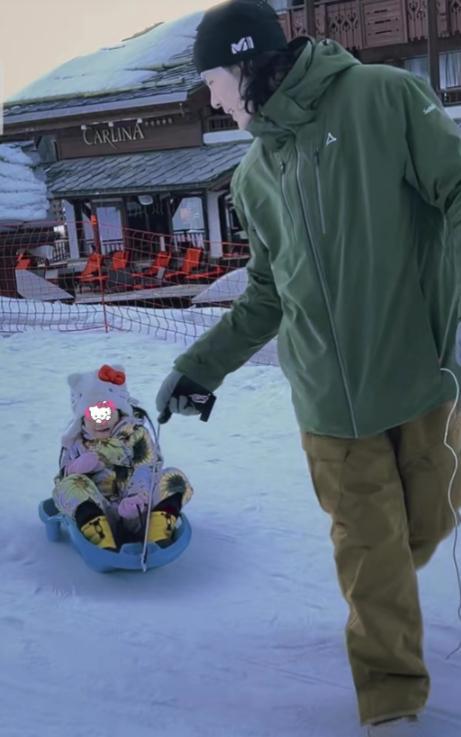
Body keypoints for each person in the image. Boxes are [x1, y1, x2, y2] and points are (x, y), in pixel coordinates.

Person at [155, 1, 461, 735]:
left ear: (242, 65)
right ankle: (391, 699)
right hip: (327, 405)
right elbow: (266, 292)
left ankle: (385, 593)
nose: (213, 100)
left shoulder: (383, 97)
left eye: (214, 83)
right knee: (369, 547)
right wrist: (202, 366)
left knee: (426, 517)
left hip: (420, 375)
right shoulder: (254, 177)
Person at [53, 364, 193, 551]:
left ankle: (157, 536)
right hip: (98, 512)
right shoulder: (76, 443)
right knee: (69, 486)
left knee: (175, 478)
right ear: (82, 418)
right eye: (92, 414)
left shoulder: (135, 435)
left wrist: (137, 497)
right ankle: (102, 543)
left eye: (105, 412)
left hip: (139, 511)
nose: (99, 421)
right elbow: (62, 486)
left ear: (119, 411)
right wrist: (73, 469)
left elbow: (146, 467)